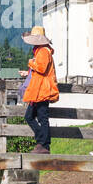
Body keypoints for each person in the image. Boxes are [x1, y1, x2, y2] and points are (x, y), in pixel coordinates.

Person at [19, 25, 59, 153]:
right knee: (32, 116)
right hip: (39, 90)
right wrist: (29, 72)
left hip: (42, 91)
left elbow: (41, 68)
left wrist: (31, 63)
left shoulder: (42, 51)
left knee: (39, 118)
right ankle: (42, 142)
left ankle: (44, 144)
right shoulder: (42, 50)